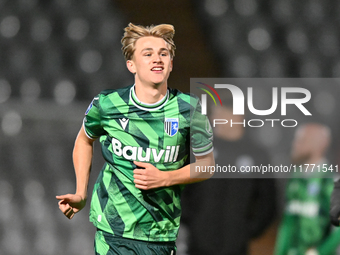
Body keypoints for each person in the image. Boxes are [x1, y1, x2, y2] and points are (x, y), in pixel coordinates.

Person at [56, 23, 215, 255]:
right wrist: (81, 193)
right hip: (112, 231)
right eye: (147, 53)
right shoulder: (107, 105)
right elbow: (83, 140)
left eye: (164, 54)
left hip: (159, 233)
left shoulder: (190, 109)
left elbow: (207, 165)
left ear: (171, 64)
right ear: (131, 64)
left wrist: (165, 178)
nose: (157, 59)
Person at [181, 103, 277, 255]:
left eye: (220, 115)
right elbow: (180, 187)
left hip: (235, 247)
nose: (214, 119)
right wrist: (192, 221)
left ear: (238, 116)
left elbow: (268, 200)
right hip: (198, 245)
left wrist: (249, 230)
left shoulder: (257, 155)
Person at [275, 123, 340, 255]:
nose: (295, 145)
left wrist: (318, 252)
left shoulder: (331, 182)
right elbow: (287, 223)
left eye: (301, 140)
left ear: (319, 144)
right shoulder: (295, 179)